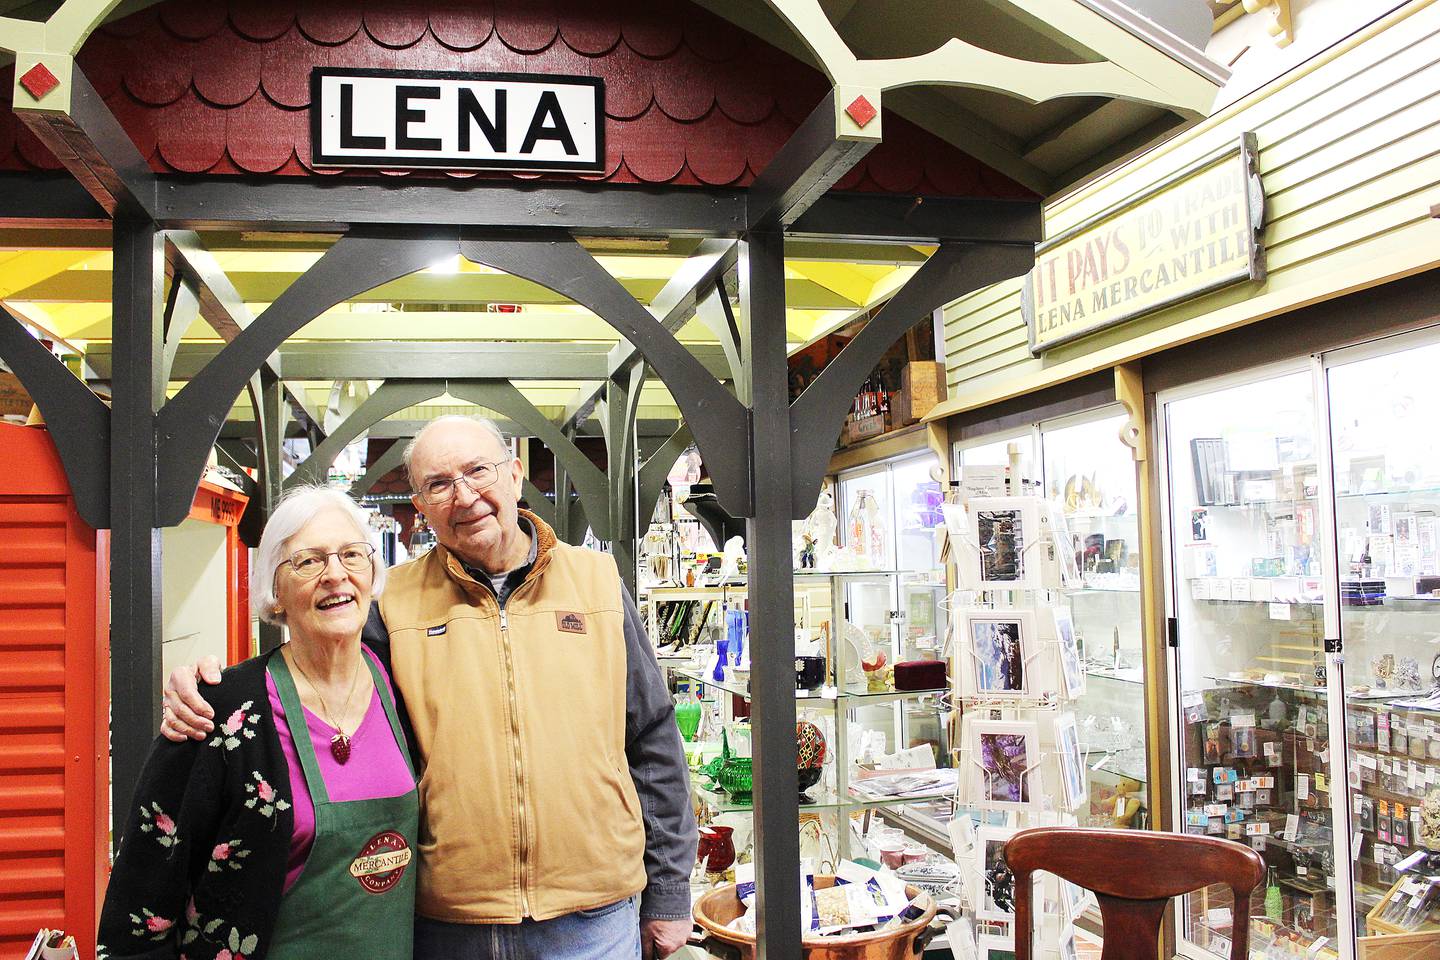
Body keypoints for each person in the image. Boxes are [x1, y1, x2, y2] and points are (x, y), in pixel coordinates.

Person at [164, 416, 697, 960]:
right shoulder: (393, 603)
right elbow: (319, 672)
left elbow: (652, 739)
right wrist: (214, 690)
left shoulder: (598, 582)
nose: (464, 496)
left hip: (591, 919)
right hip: (446, 924)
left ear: (515, 476)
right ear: (420, 507)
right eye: (438, 484)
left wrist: (671, 891)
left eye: (477, 471)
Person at [101, 485, 418, 959]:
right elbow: (143, 893)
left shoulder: (404, 682)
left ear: (372, 573)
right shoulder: (221, 712)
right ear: (275, 594)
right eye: (308, 562)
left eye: (351, 554)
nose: (336, 575)